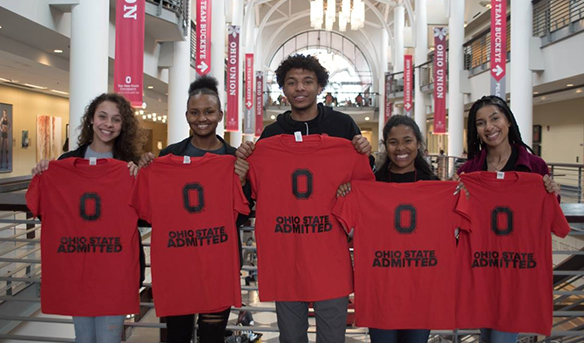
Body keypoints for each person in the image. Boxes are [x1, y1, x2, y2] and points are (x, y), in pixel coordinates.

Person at [235, 54, 371, 343]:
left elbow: (365, 190)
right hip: (286, 258)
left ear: (319, 86)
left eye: (307, 81)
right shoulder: (270, 138)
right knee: (291, 337)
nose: (300, 88)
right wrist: (246, 168)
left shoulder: (344, 127)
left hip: (329, 256)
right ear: (283, 89)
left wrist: (360, 158)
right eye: (292, 82)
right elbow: (252, 195)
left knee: (333, 336)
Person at [138, 75, 249, 343]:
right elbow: (147, 212)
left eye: (209, 111)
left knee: (213, 337)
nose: (202, 118)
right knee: (177, 336)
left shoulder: (234, 159)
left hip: (219, 264)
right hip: (178, 265)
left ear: (220, 114)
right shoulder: (167, 158)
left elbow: (242, 215)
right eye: (195, 112)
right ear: (186, 115)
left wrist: (242, 182)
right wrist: (145, 171)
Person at [31, 93, 145, 343]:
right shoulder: (64, 164)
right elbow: (48, 211)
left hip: (115, 271)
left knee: (109, 339)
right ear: (91, 120)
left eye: (116, 119)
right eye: (102, 116)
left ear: (123, 126)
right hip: (76, 269)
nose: (108, 124)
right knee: (83, 338)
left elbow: (147, 211)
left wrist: (140, 179)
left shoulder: (129, 167)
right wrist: (42, 174)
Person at [453, 95, 559, 343]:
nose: (489, 127)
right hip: (480, 269)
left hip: (516, 270)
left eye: (495, 118)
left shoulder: (535, 167)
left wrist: (552, 193)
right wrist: (454, 195)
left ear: (508, 121)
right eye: (480, 123)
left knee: (500, 337)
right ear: (475, 130)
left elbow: (548, 215)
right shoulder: (468, 172)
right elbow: (454, 223)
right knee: (486, 335)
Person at [337, 115, 436, 342]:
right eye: (393, 142)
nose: (401, 148)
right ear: (385, 145)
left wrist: (460, 196)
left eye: (407, 140)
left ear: (418, 144)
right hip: (381, 291)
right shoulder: (370, 186)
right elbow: (350, 230)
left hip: (420, 291)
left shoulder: (436, 187)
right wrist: (347, 194)